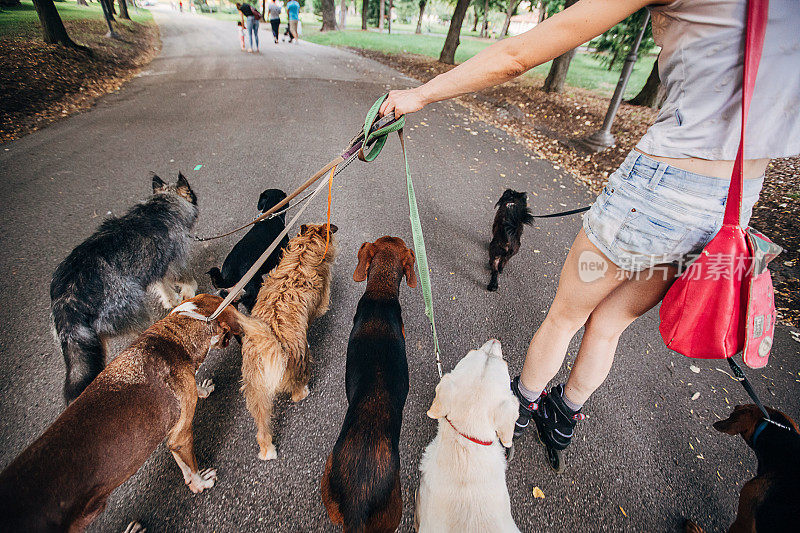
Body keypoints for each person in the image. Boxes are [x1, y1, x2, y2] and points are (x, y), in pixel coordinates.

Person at [380, 0, 799, 471]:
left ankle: (520, 408)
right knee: (610, 325)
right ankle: (563, 418)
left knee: (565, 317)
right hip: (729, 209)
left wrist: (422, 94)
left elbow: (517, 56)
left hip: (659, 192)